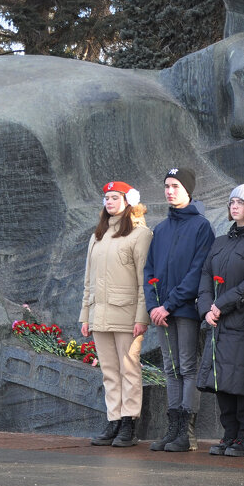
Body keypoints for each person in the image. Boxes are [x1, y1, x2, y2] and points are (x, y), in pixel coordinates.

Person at [198, 184, 244, 457]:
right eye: (231, 202)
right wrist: (207, 308)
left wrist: (222, 304)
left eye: (240, 202)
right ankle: (229, 434)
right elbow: (205, 275)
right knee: (222, 382)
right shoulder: (220, 241)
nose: (233, 206)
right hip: (218, 323)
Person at [143, 167, 215, 452]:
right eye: (167, 186)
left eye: (175, 186)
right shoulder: (160, 229)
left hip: (183, 310)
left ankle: (187, 431)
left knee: (187, 366)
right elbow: (149, 271)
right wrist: (152, 306)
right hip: (161, 312)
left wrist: (169, 304)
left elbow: (198, 271)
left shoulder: (201, 226)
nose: (170, 191)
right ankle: (172, 427)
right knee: (169, 369)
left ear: (188, 190)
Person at [80, 181, 153, 447]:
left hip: (126, 315)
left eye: (115, 197)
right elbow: (88, 281)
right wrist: (85, 317)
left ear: (128, 201)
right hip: (100, 314)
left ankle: (129, 423)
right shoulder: (97, 235)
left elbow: (144, 279)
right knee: (109, 370)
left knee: (129, 369)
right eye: (107, 198)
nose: (109, 202)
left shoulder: (139, 234)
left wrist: (141, 317)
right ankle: (114, 420)